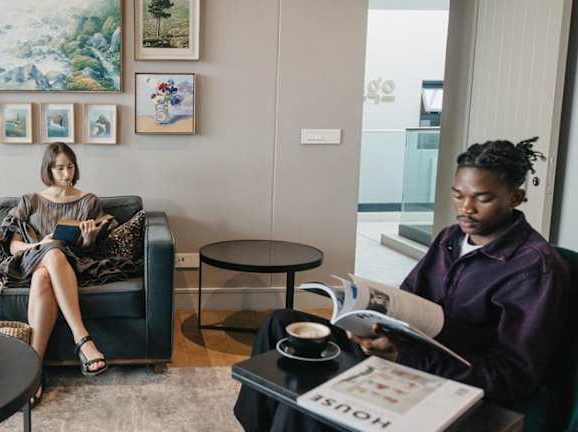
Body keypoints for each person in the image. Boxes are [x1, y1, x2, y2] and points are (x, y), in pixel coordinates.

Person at [234, 137, 570, 431]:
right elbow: (406, 299)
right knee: (280, 323)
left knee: (309, 397)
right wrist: (366, 323)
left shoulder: (534, 268)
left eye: (482, 199)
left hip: (448, 378)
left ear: (515, 197)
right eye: (458, 195)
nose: (465, 208)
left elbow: (513, 377)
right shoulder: (450, 238)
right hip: (406, 351)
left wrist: (404, 355)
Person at [0, 142, 141, 407]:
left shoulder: (88, 201)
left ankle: (32, 371)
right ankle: (83, 340)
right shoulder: (30, 201)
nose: (67, 174)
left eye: (70, 167)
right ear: (49, 170)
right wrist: (41, 244)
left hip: (69, 264)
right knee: (52, 253)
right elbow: (14, 246)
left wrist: (88, 238)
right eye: (60, 168)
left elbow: (87, 248)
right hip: (30, 259)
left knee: (45, 274)